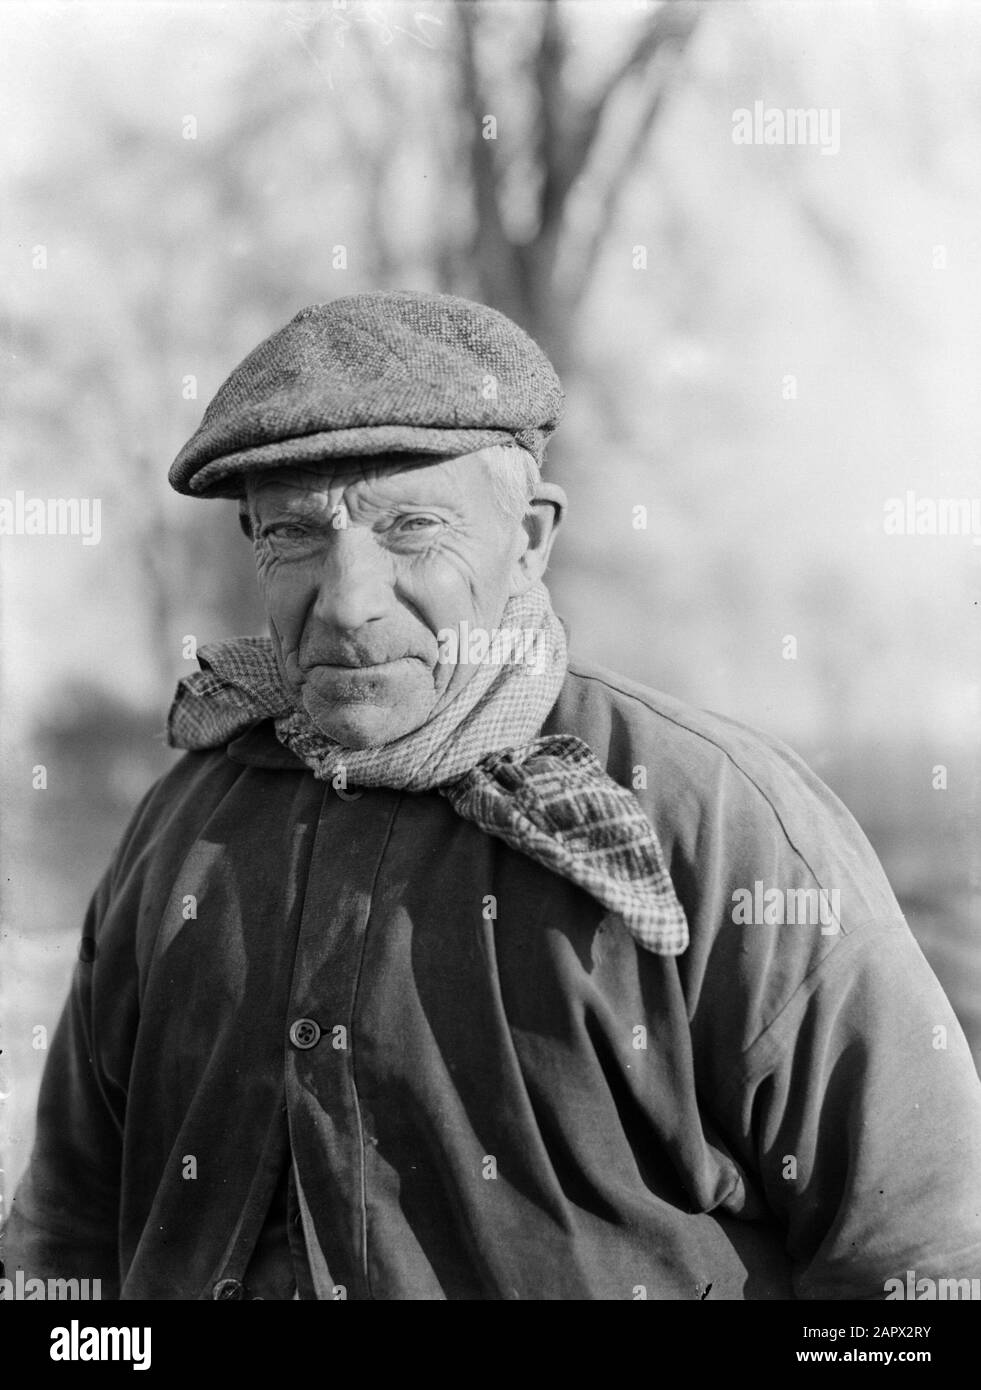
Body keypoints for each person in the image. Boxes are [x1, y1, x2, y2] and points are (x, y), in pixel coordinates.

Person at [3, 290, 980, 1301]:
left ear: (530, 541)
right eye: (294, 535)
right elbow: (64, 1237)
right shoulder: (185, 829)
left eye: (413, 528)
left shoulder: (717, 825)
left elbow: (923, 1264)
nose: (347, 602)